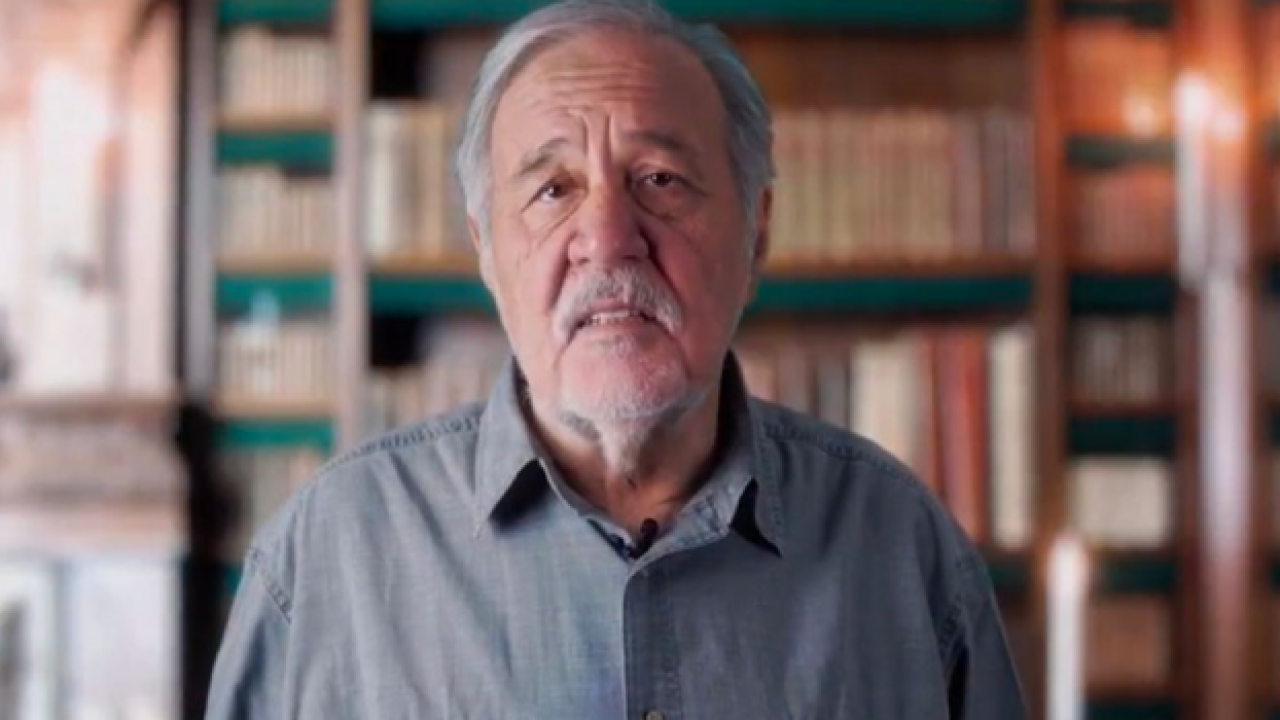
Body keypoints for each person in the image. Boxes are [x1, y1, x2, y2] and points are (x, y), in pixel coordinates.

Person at [205, 1, 1028, 718]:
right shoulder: (328, 560)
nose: (605, 239)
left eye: (660, 180)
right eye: (553, 190)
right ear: (485, 249)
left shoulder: (900, 548)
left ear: (757, 232)